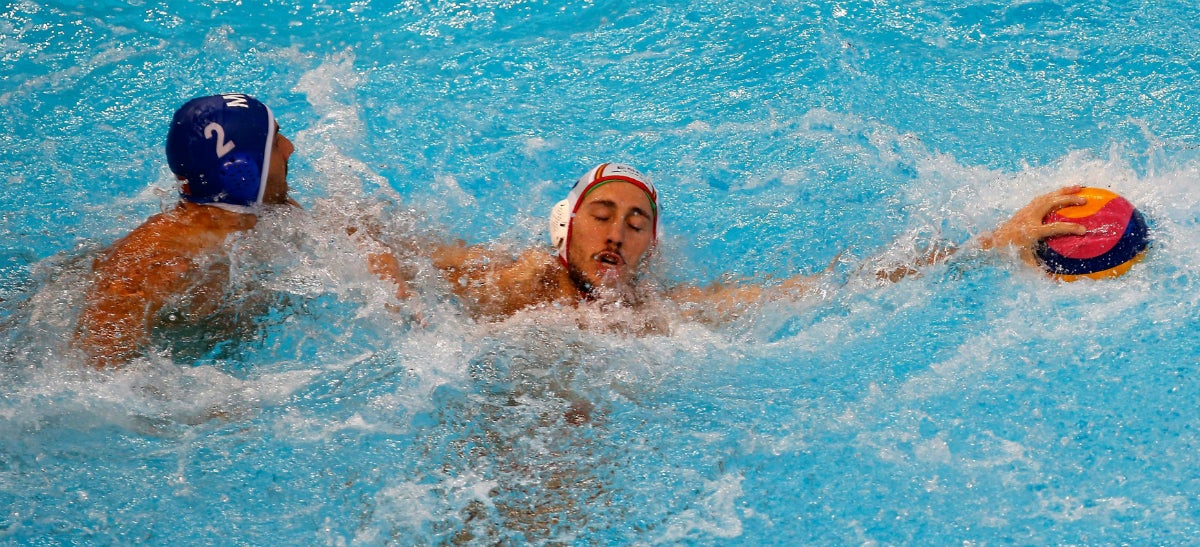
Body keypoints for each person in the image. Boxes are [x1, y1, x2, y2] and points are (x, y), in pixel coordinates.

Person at [426, 163, 1090, 322]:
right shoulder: (501, 278)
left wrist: (986, 243)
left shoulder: (665, 319)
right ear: (565, 232)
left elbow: (836, 289)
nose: (617, 232)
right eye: (602, 214)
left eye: (636, 224)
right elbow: (366, 242)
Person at [75, 93, 407, 368]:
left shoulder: (262, 216)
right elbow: (92, 369)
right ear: (243, 169)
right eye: (276, 141)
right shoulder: (157, 260)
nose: (290, 148)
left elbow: (354, 241)